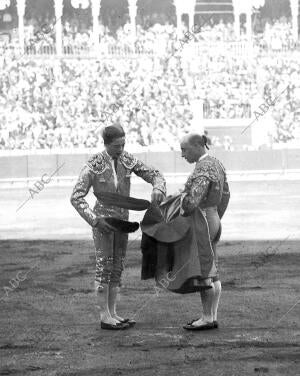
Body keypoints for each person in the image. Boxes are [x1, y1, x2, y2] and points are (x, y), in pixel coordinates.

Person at [70, 124, 166, 330]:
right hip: (103, 223)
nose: (121, 149)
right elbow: (76, 197)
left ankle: (113, 313)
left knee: (117, 268)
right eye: (116, 146)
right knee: (104, 267)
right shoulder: (93, 165)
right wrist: (95, 220)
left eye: (123, 144)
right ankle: (105, 316)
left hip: (123, 222)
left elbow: (154, 174)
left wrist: (158, 186)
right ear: (106, 144)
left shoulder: (127, 159)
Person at [180, 133, 230, 330]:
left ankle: (207, 318)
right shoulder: (216, 163)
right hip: (213, 218)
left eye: (185, 150)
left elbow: (192, 201)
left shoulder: (202, 168)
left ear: (197, 146)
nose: (182, 155)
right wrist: (216, 216)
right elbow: (226, 194)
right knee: (213, 269)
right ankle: (212, 315)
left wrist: (180, 204)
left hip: (202, 221)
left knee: (204, 270)